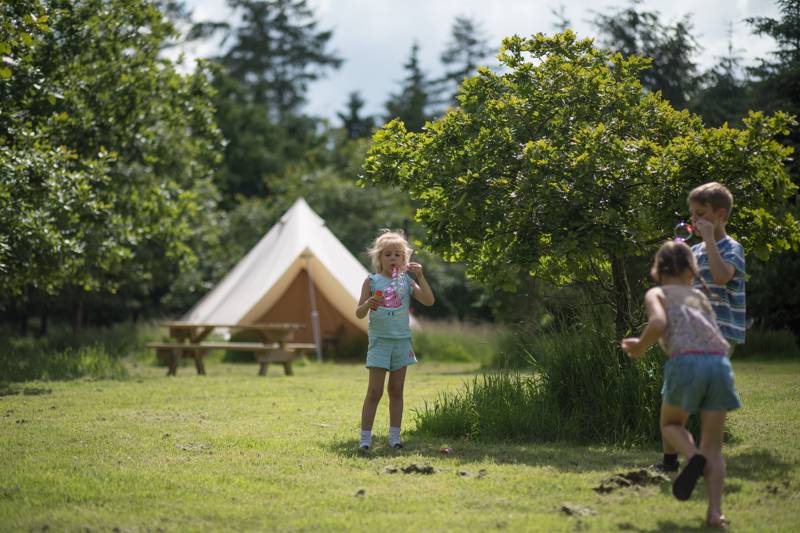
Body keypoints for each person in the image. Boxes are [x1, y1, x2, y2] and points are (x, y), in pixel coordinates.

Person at [622, 240, 741, 529]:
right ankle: (715, 513)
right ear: (692, 271)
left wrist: (638, 346)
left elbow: (659, 324)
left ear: (658, 270)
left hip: (685, 362)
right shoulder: (699, 297)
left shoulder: (658, 292)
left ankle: (693, 457)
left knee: (671, 425)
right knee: (714, 447)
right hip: (719, 364)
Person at [655, 182, 746, 474]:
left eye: (701, 214)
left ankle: (703, 455)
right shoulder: (692, 250)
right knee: (674, 391)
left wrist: (709, 240)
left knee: (701, 394)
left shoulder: (732, 248)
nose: (695, 220)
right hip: (690, 333)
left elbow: (720, 277)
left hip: (720, 334)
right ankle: (673, 460)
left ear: (720, 215)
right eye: (692, 215)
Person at [355, 230, 435, 451]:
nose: (393, 258)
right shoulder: (372, 281)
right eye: (388, 254)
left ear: (405, 259)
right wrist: (368, 303)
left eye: (397, 254)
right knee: (375, 392)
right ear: (379, 258)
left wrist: (420, 276)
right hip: (380, 342)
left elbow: (428, 301)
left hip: (402, 343)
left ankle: (394, 437)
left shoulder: (407, 282)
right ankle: (365, 438)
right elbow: (359, 313)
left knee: (396, 390)